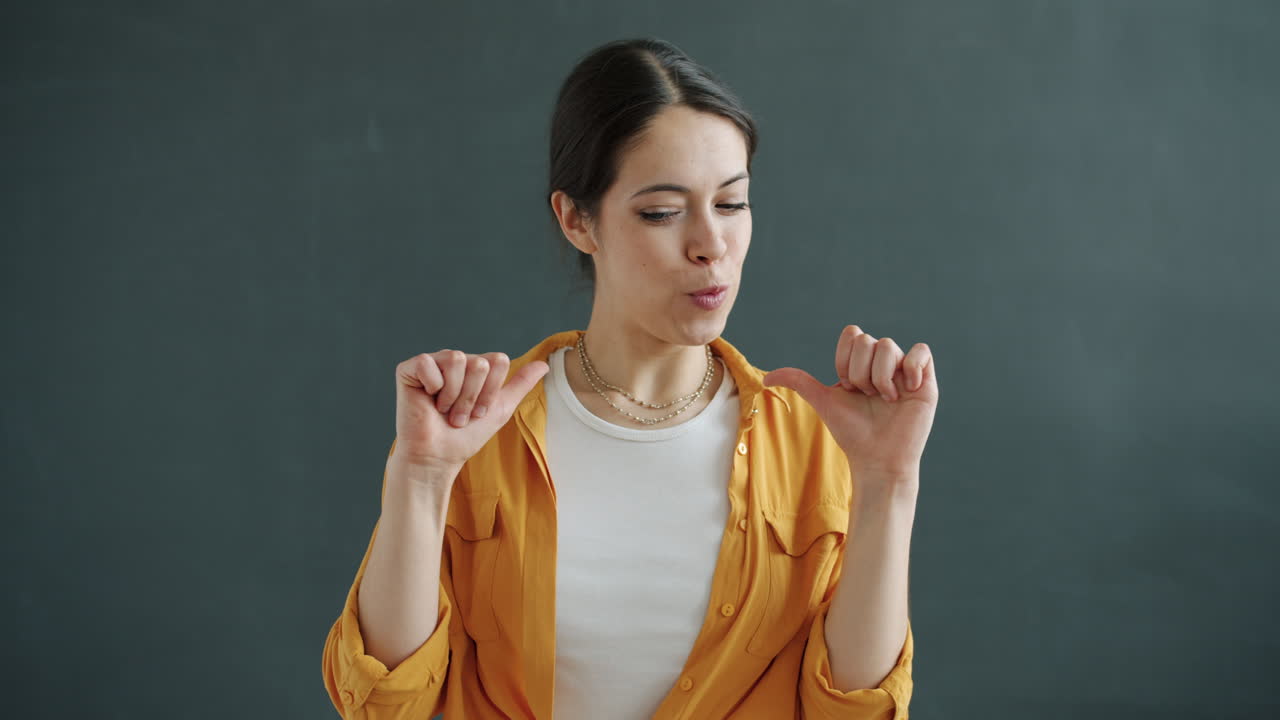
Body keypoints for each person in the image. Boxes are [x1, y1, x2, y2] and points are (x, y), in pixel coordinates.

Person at [322, 37, 938, 720]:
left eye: (732, 204)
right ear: (577, 219)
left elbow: (853, 713)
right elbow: (385, 706)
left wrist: (888, 486)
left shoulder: (816, 441)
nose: (711, 244)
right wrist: (420, 478)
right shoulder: (475, 433)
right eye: (662, 212)